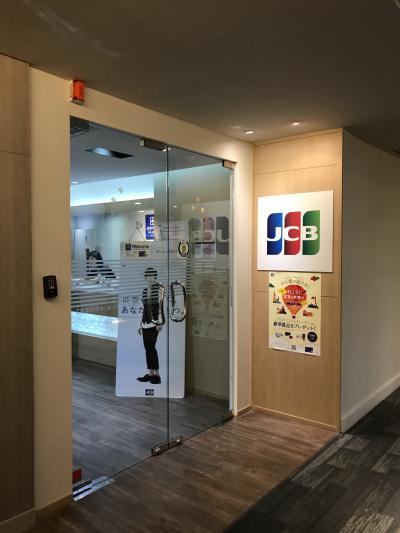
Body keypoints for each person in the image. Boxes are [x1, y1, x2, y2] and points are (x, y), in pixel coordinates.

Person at [137, 267, 162, 385]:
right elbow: (142, 308)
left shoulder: (160, 290)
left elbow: (162, 307)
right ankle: (151, 374)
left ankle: (157, 375)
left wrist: (159, 322)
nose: (150, 278)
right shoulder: (144, 291)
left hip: (154, 323)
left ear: (155, 277)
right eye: (148, 276)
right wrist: (139, 324)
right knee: (148, 349)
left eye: (152, 276)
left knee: (151, 348)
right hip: (145, 324)